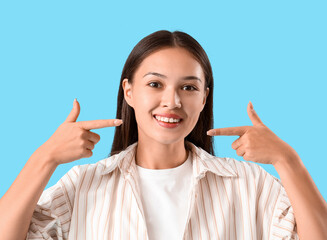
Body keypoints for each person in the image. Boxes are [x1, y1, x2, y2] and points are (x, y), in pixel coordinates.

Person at [0, 30, 326, 240]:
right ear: (128, 91)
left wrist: (288, 160)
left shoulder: (249, 185)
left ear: (204, 97)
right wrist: (44, 158)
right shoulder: (82, 186)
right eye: (155, 84)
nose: (172, 101)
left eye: (188, 87)